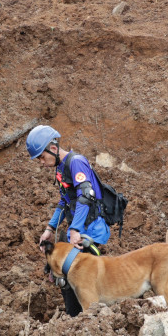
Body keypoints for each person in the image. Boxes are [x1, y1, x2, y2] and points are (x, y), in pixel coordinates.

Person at [26, 124, 111, 315]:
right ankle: (75, 318)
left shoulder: (76, 163)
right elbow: (64, 201)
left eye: (42, 157)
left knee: (78, 279)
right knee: (64, 277)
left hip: (91, 230)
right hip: (79, 229)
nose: (41, 162)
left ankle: (86, 317)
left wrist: (74, 229)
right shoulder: (61, 168)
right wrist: (50, 228)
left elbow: (86, 196)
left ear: (53, 148)